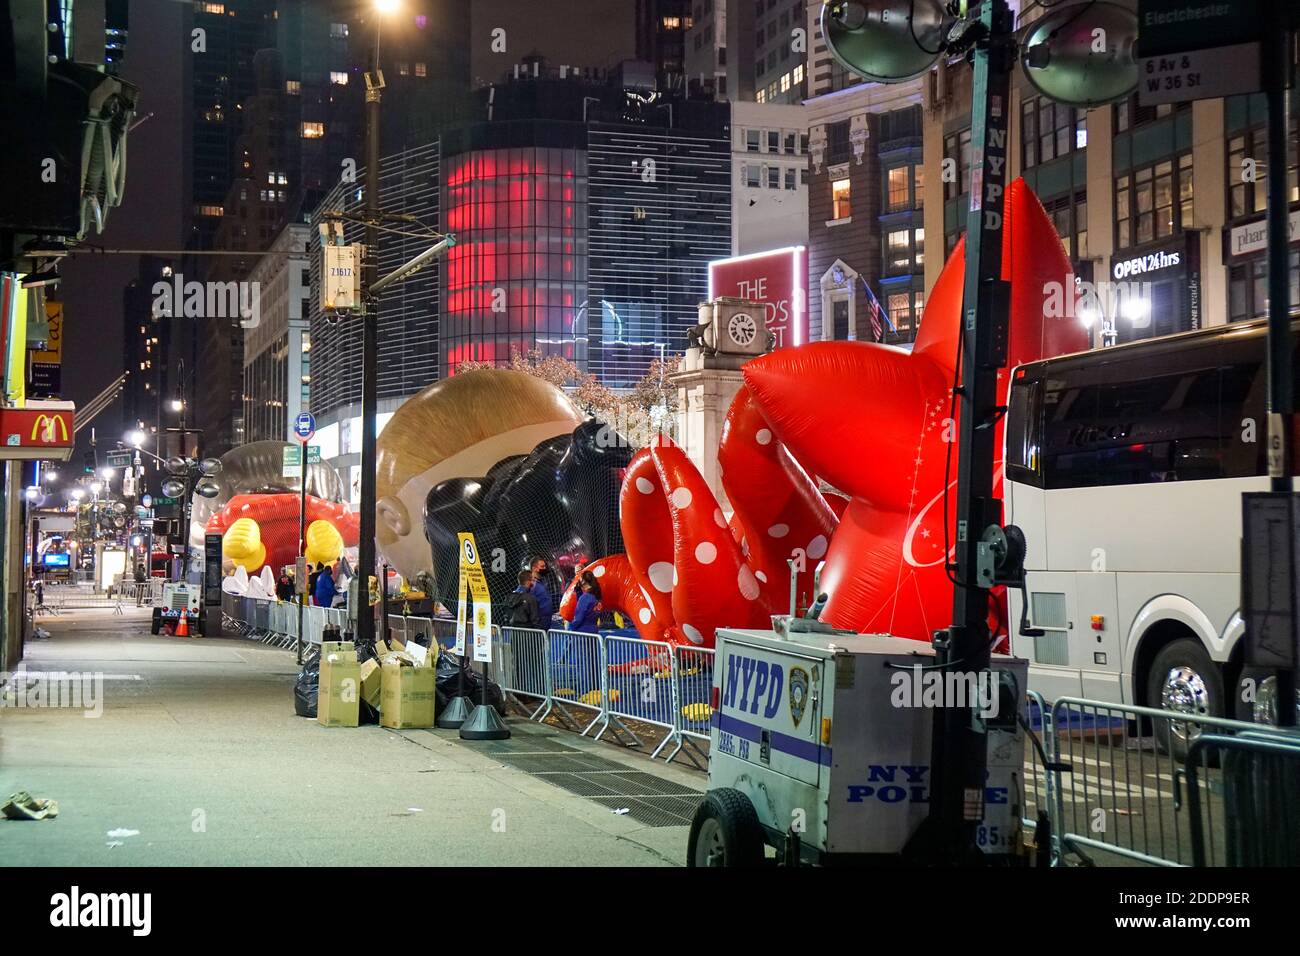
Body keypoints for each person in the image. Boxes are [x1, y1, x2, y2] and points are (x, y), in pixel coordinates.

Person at [529, 556, 554, 622]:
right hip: (539, 622)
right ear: (534, 568)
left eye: (545, 566)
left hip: (547, 620)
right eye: (542, 566)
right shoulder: (531, 585)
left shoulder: (542, 582)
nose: (545, 568)